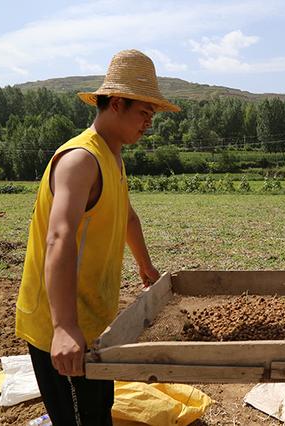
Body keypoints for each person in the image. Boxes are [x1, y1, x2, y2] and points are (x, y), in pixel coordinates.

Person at [15, 49, 180, 425]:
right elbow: (58, 238)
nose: (148, 124)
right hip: (59, 322)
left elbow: (127, 217)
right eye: (144, 113)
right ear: (117, 104)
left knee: (98, 410)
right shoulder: (80, 160)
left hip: (90, 322)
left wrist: (146, 266)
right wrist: (63, 327)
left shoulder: (113, 156)